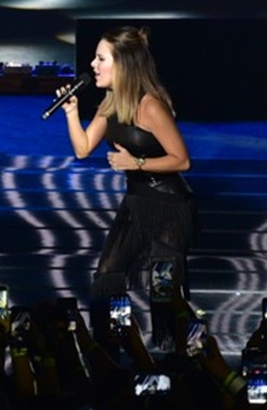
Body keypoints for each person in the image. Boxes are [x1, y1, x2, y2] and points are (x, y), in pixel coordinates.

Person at [57, 25, 197, 349]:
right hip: (136, 205)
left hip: (171, 209)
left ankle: (187, 352)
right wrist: (72, 113)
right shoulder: (110, 102)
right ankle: (110, 347)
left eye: (101, 58)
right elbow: (82, 149)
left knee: (163, 291)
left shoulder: (150, 106)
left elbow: (182, 160)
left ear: (123, 65)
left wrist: (137, 164)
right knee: (107, 274)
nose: (92, 65)